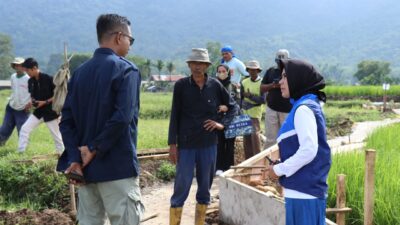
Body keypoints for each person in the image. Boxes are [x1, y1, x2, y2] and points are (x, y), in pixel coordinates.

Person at [56, 14, 144, 225]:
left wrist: (76, 158)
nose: (130, 45)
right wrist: (94, 148)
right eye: (130, 40)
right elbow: (123, 118)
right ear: (119, 37)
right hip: (117, 167)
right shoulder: (126, 70)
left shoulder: (79, 73)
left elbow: (66, 121)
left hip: (87, 171)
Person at [168, 48, 237, 225]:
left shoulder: (214, 85)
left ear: (206, 66)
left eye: (201, 63)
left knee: (205, 188)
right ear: (189, 65)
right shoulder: (181, 86)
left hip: (209, 144)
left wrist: (222, 124)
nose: (197, 67)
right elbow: (175, 115)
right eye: (194, 63)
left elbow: (232, 106)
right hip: (186, 143)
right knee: (181, 186)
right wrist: (172, 145)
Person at [267, 59, 331, 225]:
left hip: (303, 193)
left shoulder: (303, 109)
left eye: (284, 77)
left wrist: (279, 169)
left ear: (297, 79)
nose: (280, 82)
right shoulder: (305, 105)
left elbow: (309, 150)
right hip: (303, 191)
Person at [18, 58, 64, 154]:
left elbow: (58, 95)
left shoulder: (49, 79)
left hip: (51, 112)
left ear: (34, 68)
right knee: (24, 129)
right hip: (38, 112)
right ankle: (21, 153)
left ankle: (61, 156)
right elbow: (32, 96)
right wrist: (31, 102)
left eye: (28, 70)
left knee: (57, 137)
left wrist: (45, 102)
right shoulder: (30, 81)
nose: (27, 73)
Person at [260, 49, 292, 149]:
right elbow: (262, 88)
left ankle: (286, 161)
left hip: (287, 110)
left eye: (283, 61)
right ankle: (268, 162)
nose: (280, 63)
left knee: (287, 137)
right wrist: (273, 85)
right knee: (270, 139)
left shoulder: (292, 72)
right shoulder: (271, 71)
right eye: (278, 61)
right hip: (272, 109)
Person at [215, 64, 240, 176]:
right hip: (218, 119)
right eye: (219, 71)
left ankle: (229, 168)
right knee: (219, 144)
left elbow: (238, 103)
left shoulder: (234, 86)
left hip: (232, 120)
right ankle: (219, 167)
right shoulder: (213, 86)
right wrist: (219, 107)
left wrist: (228, 107)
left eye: (223, 71)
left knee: (230, 145)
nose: (221, 73)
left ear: (228, 72)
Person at [0, 57, 31, 146]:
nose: (17, 67)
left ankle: (23, 149)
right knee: (5, 128)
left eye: (20, 65)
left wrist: (29, 104)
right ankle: (1, 144)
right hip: (11, 107)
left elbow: (32, 93)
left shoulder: (28, 79)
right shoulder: (13, 77)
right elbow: (13, 90)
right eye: (16, 65)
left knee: (22, 130)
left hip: (23, 109)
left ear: (24, 67)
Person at [241, 60, 265, 159]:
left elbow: (263, 100)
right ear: (248, 70)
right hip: (245, 112)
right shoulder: (244, 82)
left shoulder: (262, 82)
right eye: (250, 70)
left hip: (255, 113)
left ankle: (257, 159)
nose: (252, 72)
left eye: (254, 70)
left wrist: (250, 97)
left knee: (255, 137)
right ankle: (248, 161)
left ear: (258, 71)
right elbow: (241, 97)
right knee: (246, 139)